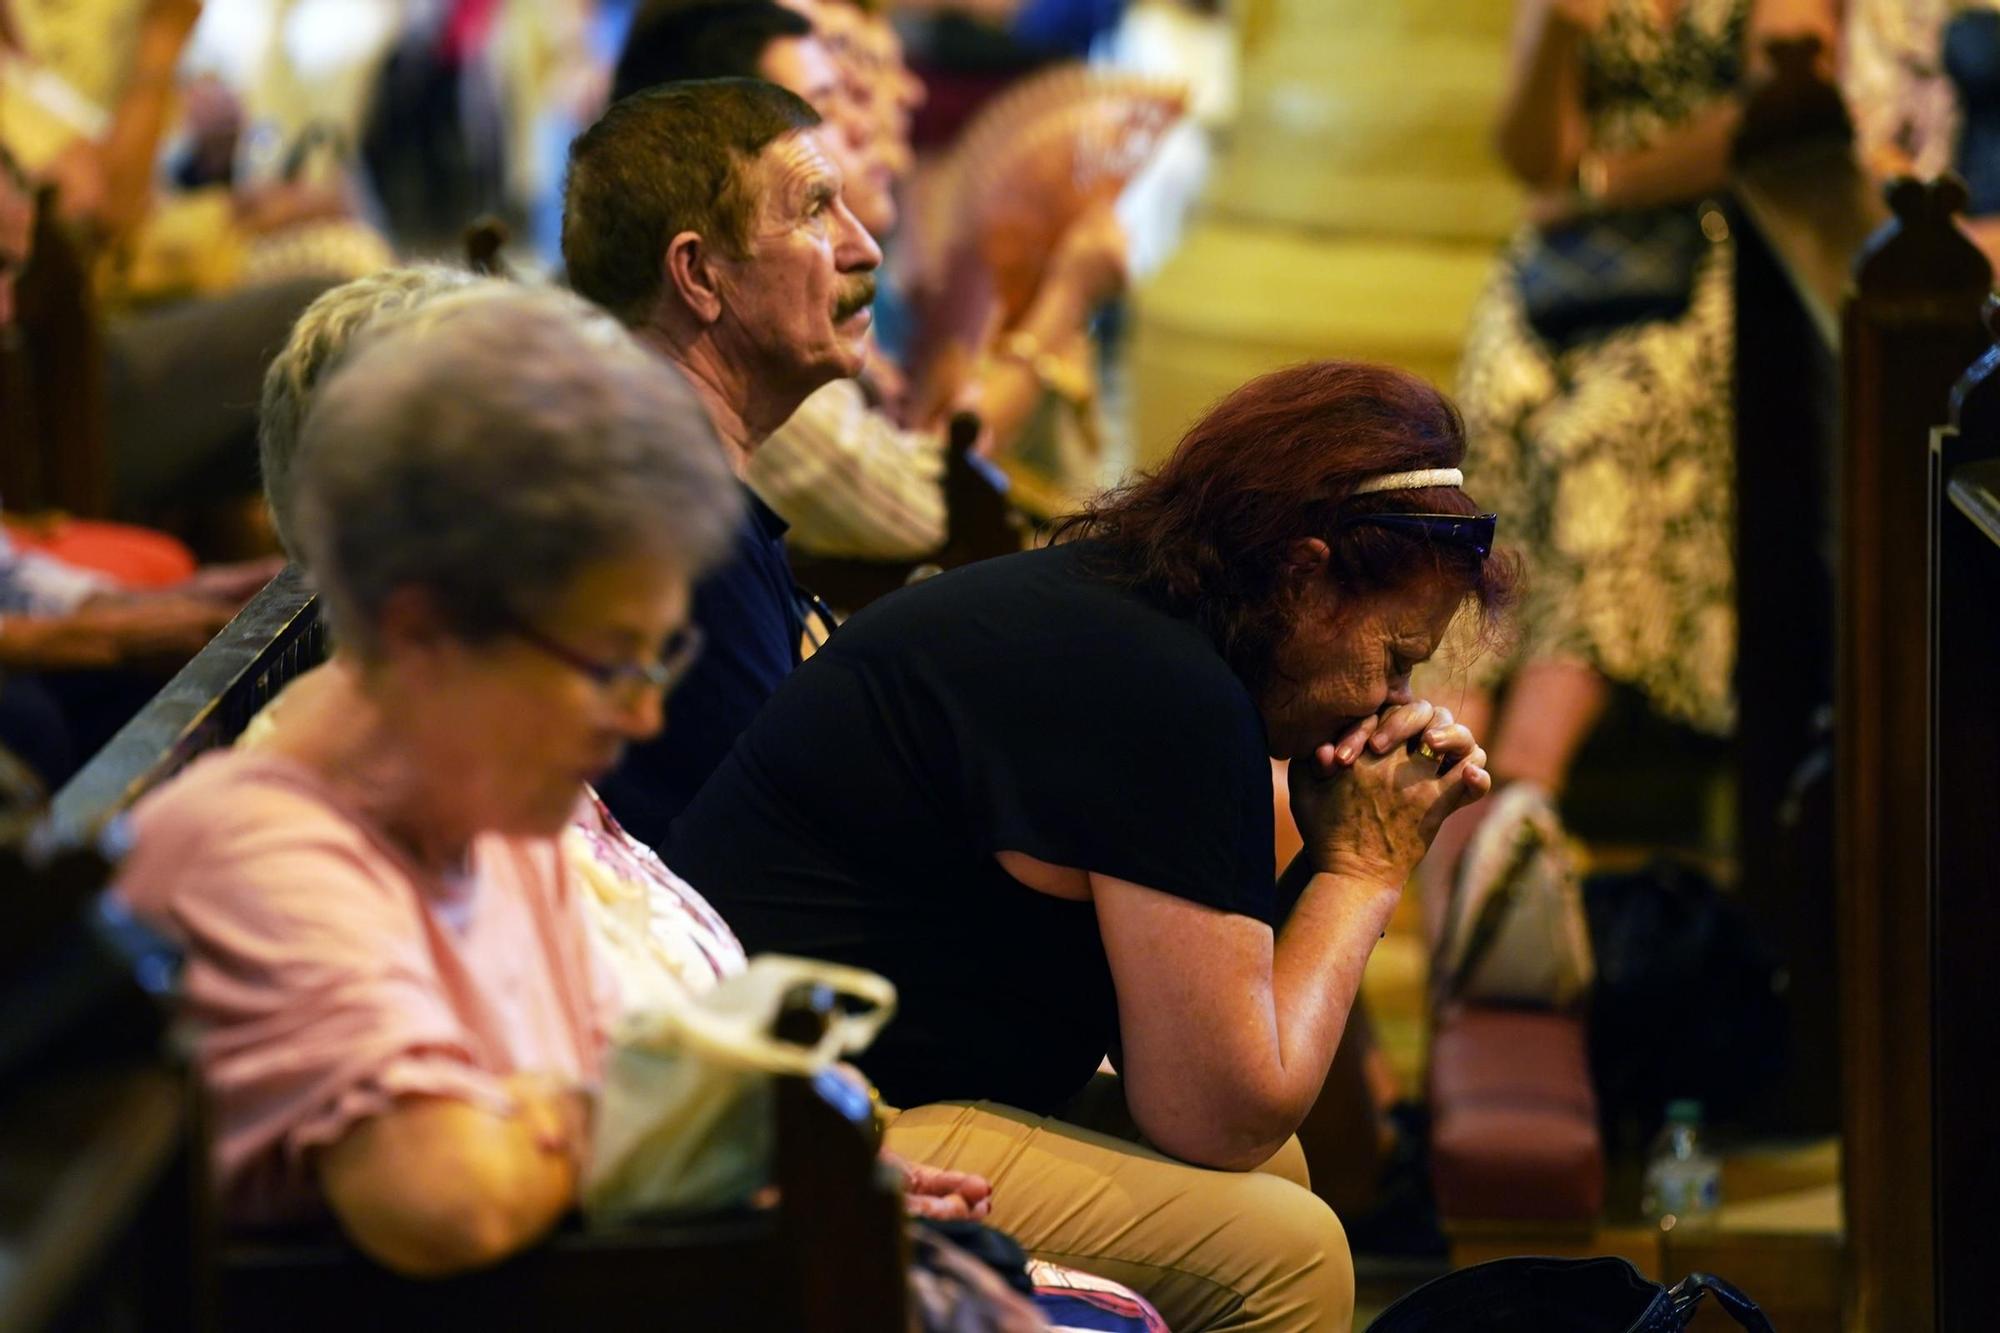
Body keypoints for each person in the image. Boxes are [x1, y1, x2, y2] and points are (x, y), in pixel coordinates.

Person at [669, 360, 1513, 1332]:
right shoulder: (1167, 696)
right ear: (1305, 576)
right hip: (783, 1130)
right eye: (1395, 657)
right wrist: (1363, 867)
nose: (1392, 704)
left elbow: (1200, 1066)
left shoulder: (1144, 622)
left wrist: (1333, 854)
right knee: (1289, 1256)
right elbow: (1222, 1108)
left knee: (1277, 1176)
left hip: (832, 1085)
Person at [115, 285, 742, 1270]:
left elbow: (629, 1110)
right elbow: (450, 1199)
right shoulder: (255, 851)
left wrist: (555, 1122)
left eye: (654, 660)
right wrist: (618, 1122)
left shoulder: (503, 818)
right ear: (421, 633)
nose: (646, 712)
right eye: (609, 661)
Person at [1425, 0, 1755, 930]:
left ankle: (1527, 783)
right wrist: (1557, 29)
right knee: (1496, 404)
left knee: (1601, 435)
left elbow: (1770, 112)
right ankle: (1443, 757)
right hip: (1563, 263)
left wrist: (1606, 179)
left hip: (1703, 257)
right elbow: (1531, 155)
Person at [611, 3, 1127, 562]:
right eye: (830, 101)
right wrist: (1062, 300)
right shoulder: (730, 340)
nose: (895, 98)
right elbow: (925, 504)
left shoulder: (796, 299)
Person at [560, 76, 882, 848]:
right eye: (813, 209)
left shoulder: (649, 467)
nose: (862, 246)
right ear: (700, 274)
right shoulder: (678, 521)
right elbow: (783, 848)